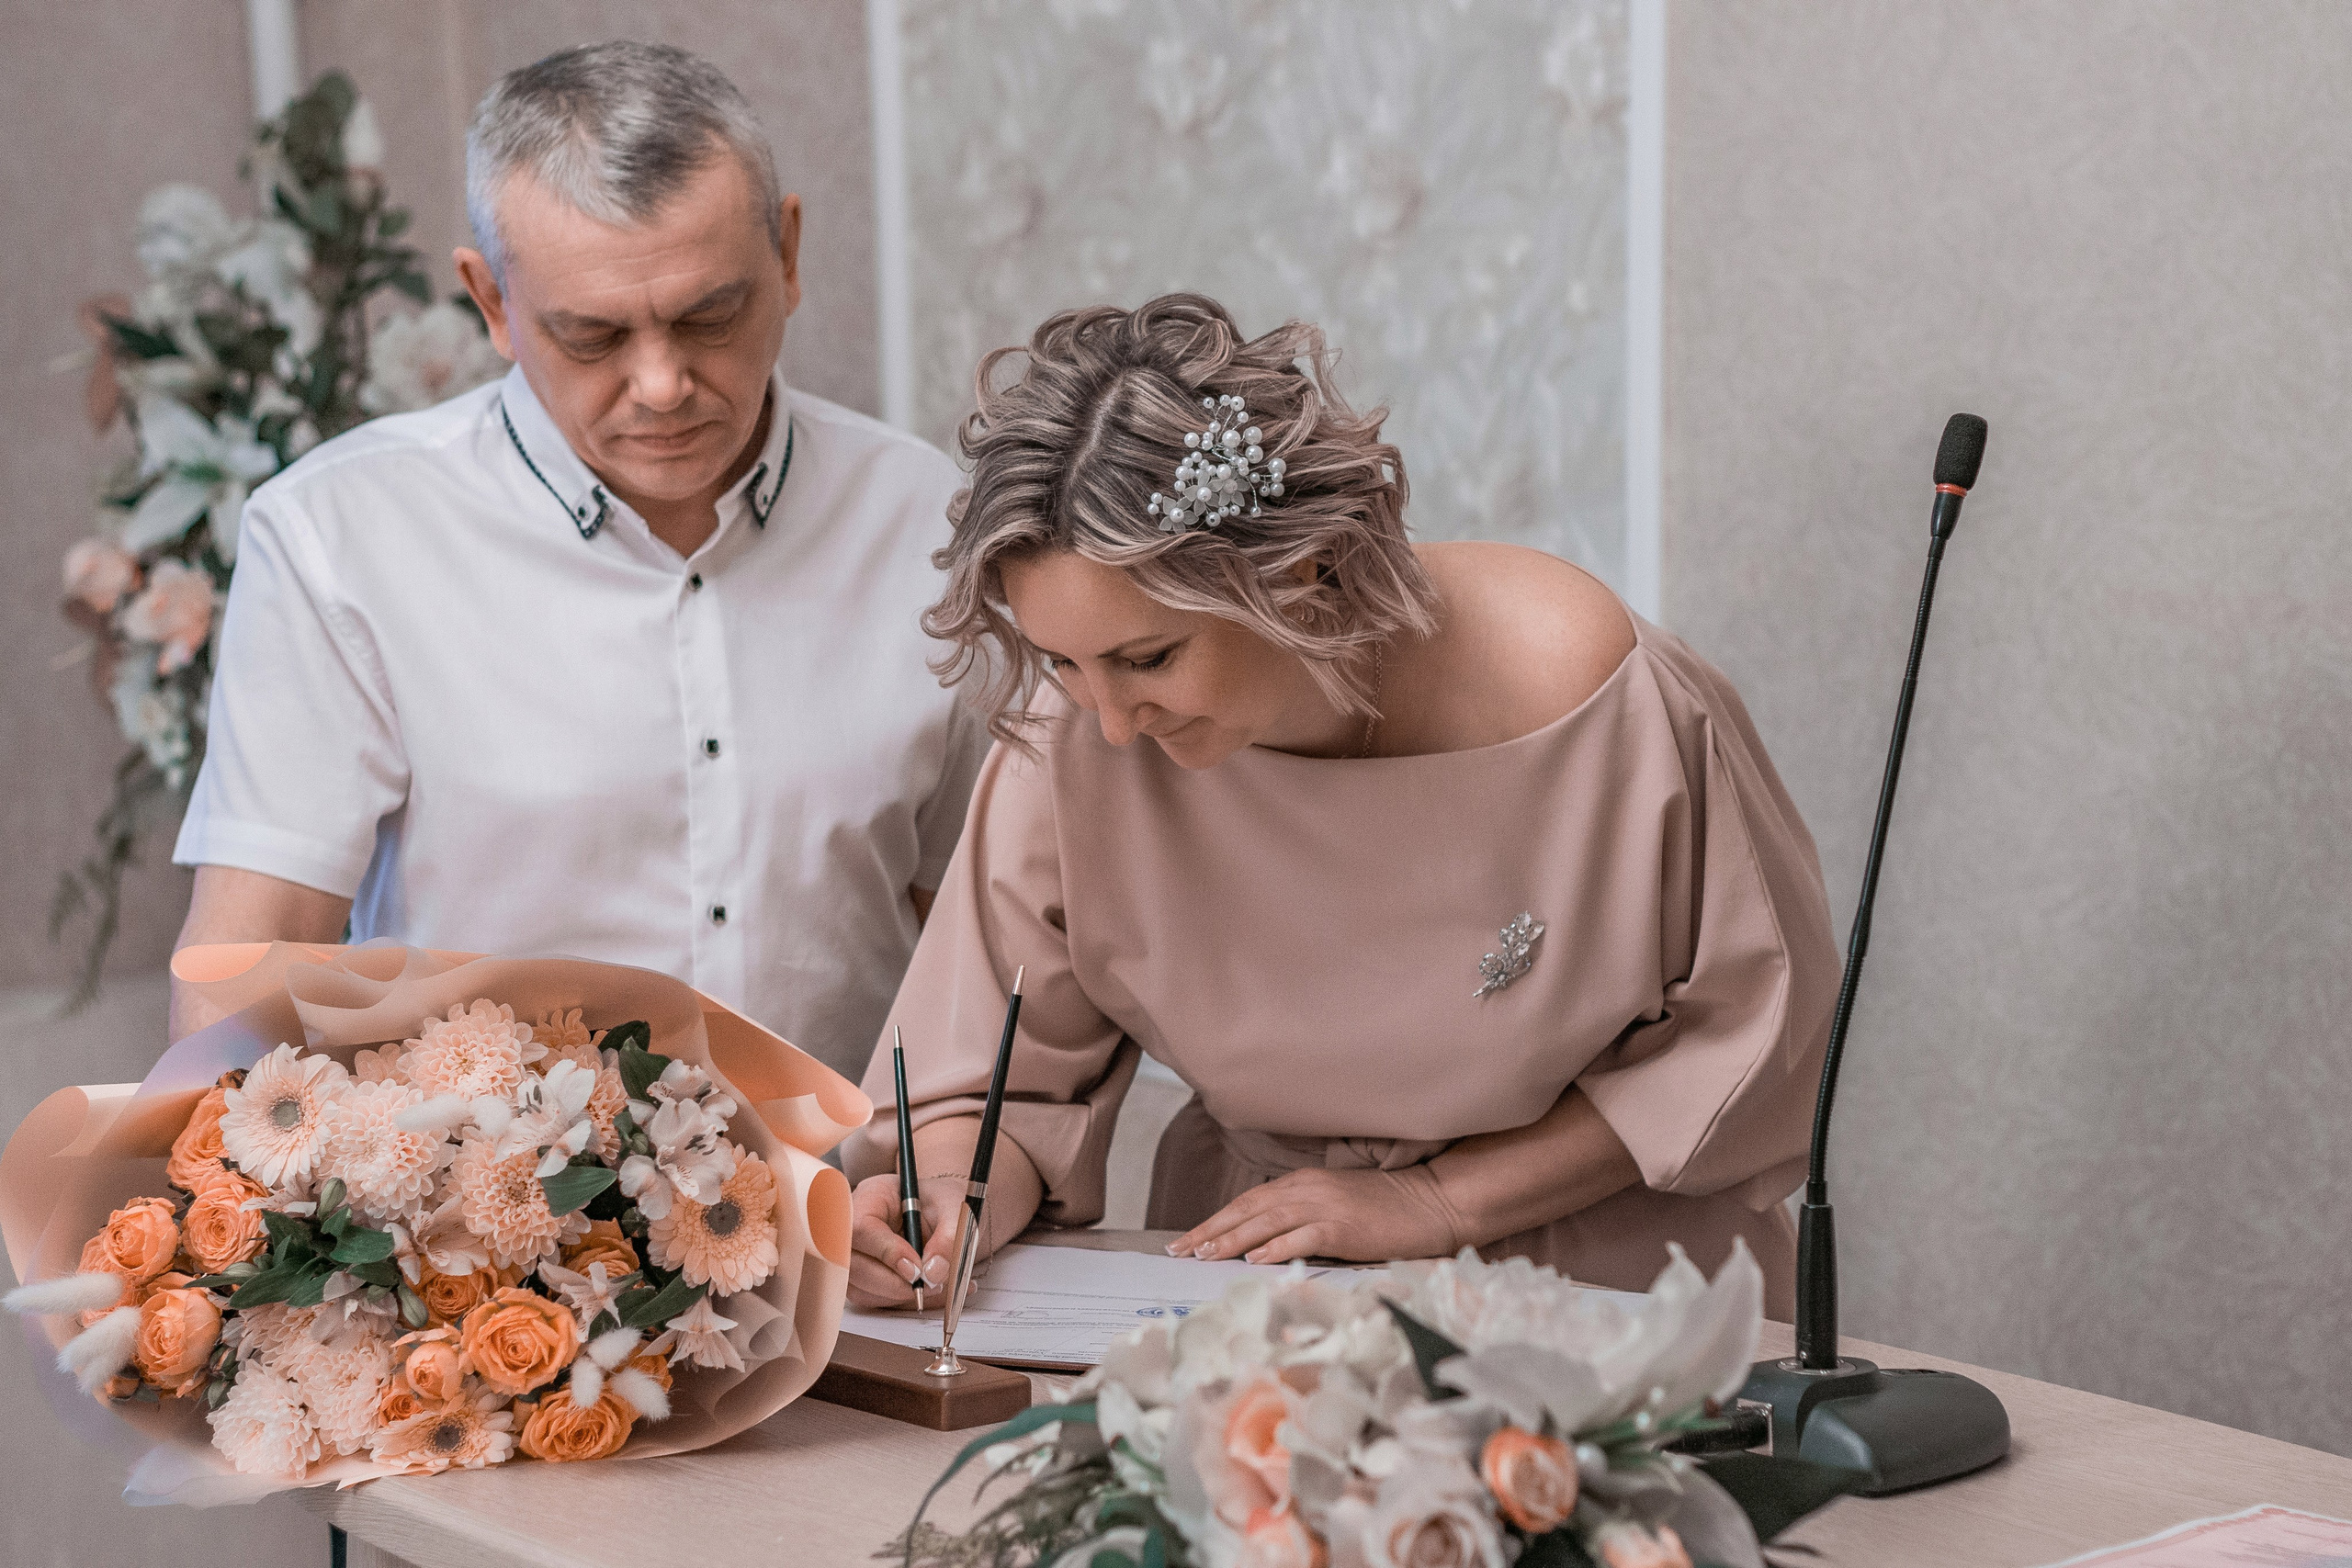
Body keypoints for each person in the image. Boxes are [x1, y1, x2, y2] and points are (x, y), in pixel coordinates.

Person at [844, 294, 1839, 1315]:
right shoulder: (1073, 744)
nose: (1107, 723)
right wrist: (946, 1195)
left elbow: (1749, 1044)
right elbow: (999, 1088)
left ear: (1295, 569)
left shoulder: (1597, 704)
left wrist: (1437, 1202)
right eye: (1061, 661)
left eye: (1148, 658)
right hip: (1258, 1296)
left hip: (1613, 1289)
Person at [169, 42, 985, 1079]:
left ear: (785, 254)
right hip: (493, 1227)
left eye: (708, 316)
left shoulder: (927, 520)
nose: (661, 383)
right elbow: (249, 966)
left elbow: (993, 931)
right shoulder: (340, 539)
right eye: (593, 337)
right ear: (494, 304)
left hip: (862, 1220)